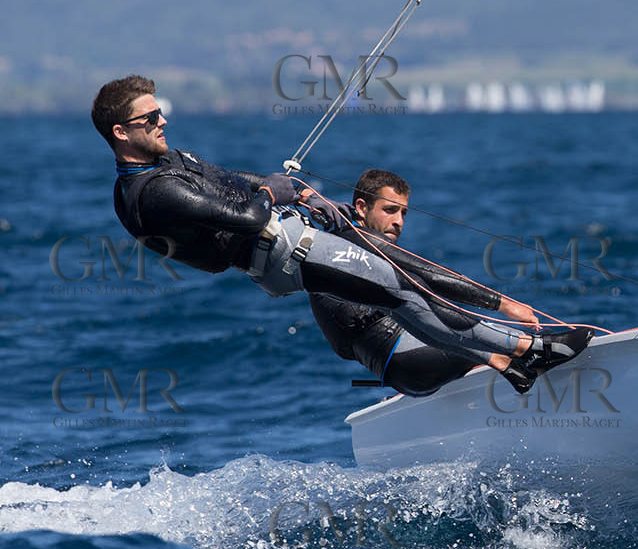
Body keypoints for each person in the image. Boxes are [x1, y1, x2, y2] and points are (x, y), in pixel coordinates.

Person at [92, 74, 589, 393]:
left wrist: (284, 189)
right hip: (284, 251)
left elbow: (230, 180)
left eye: (161, 112)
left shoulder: (168, 160)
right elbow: (243, 217)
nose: (163, 121)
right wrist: (276, 194)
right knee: (400, 290)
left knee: (399, 291)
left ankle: (510, 361)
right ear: (121, 132)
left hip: (288, 238)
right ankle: (525, 352)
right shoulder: (151, 192)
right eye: (151, 118)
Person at [308, 169, 498, 396]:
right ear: (361, 207)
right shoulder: (349, 248)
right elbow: (431, 280)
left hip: (405, 374)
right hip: (412, 362)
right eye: (389, 210)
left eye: (403, 213)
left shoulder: (345, 244)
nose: (398, 222)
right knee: (517, 346)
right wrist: (503, 305)